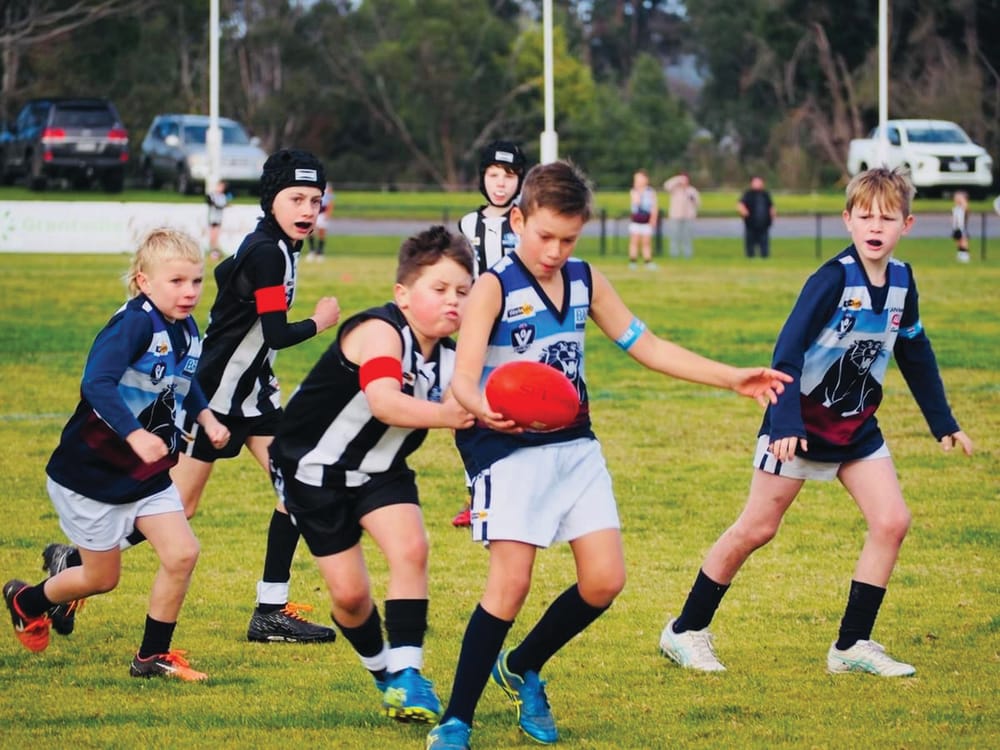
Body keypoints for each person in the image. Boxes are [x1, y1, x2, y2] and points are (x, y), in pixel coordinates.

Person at [426, 161, 792, 749]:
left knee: (604, 581)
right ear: (518, 219)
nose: (554, 250)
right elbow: (464, 376)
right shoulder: (494, 286)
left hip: (574, 443)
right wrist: (481, 404)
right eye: (544, 235)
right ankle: (456, 719)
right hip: (505, 448)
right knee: (510, 584)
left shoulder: (585, 280)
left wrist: (732, 379)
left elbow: (645, 344)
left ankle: (521, 667)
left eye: (568, 239)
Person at [659, 166, 974, 679]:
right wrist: (784, 423)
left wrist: (943, 421)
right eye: (866, 215)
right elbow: (787, 351)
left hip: (857, 428)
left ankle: (852, 644)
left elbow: (914, 348)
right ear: (847, 219)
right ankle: (685, 629)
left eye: (888, 217)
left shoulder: (902, 280)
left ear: (907, 224)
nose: (876, 226)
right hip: (799, 425)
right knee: (757, 528)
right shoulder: (831, 279)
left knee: (892, 521)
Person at [3, 228, 230, 681]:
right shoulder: (133, 324)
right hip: (91, 475)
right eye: (177, 281)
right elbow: (96, 383)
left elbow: (184, 379)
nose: (190, 292)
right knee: (102, 578)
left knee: (183, 553)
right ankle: (27, 600)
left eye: (197, 281)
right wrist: (133, 434)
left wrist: (206, 418)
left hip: (145, 474)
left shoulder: (184, 326)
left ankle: (152, 657)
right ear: (144, 282)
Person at [269, 225, 475, 723]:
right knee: (350, 596)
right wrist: (451, 414)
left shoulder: (452, 356)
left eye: (463, 292)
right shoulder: (379, 331)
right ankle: (384, 672)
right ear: (402, 294)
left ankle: (409, 674)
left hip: (382, 471)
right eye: (440, 289)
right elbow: (383, 401)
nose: (454, 302)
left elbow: (472, 415)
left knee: (412, 549)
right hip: (312, 472)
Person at [171, 148, 342, 644]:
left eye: (316, 200)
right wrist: (321, 321)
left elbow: (227, 276)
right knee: (180, 508)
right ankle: (73, 564)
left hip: (255, 396)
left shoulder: (277, 245)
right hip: (219, 395)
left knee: (297, 485)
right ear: (272, 200)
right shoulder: (269, 252)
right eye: (297, 199)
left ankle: (271, 610)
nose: (308, 210)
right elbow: (275, 332)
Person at [450, 140, 528, 528]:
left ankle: (515, 493)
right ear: (482, 178)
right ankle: (476, 494)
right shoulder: (468, 223)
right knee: (466, 410)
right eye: (493, 175)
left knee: (517, 407)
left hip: (519, 329)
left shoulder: (527, 219)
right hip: (477, 328)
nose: (500, 184)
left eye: (508, 176)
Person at [627, 169, 659, 270]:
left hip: (646, 221)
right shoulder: (634, 191)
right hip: (636, 220)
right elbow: (636, 203)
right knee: (634, 241)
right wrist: (639, 193)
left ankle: (648, 261)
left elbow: (654, 206)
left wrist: (653, 219)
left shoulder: (651, 192)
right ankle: (633, 261)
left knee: (646, 242)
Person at [663, 172, 700, 258]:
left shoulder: (692, 190)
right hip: (675, 217)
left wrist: (692, 199)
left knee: (687, 237)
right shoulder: (675, 190)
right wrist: (677, 179)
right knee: (674, 236)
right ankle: (674, 254)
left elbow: (698, 203)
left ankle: (688, 255)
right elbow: (666, 185)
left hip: (688, 217)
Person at [737, 176, 776, 259]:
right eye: (755, 182)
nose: (757, 184)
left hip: (764, 225)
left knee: (764, 245)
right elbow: (740, 204)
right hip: (751, 224)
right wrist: (743, 212)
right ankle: (750, 258)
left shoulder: (765, 194)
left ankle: (765, 258)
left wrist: (772, 216)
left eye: (759, 182)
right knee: (750, 245)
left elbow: (771, 206)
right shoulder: (748, 194)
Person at [307, 181, 335, 262]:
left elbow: (330, 201)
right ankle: (312, 251)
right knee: (310, 231)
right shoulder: (312, 184)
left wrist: (328, 213)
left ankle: (320, 252)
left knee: (321, 232)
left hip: (322, 212)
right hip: (313, 211)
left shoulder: (327, 186)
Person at [206, 179, 231, 261]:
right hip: (212, 218)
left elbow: (222, 205)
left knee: (215, 237)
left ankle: (215, 253)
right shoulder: (212, 195)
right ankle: (213, 253)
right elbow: (212, 203)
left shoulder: (223, 196)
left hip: (219, 219)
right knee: (212, 237)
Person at [951, 190, 970, 263]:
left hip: (962, 227)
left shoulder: (963, 207)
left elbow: (966, 206)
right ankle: (960, 253)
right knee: (958, 240)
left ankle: (965, 255)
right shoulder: (956, 208)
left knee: (963, 241)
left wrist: (962, 199)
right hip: (956, 227)